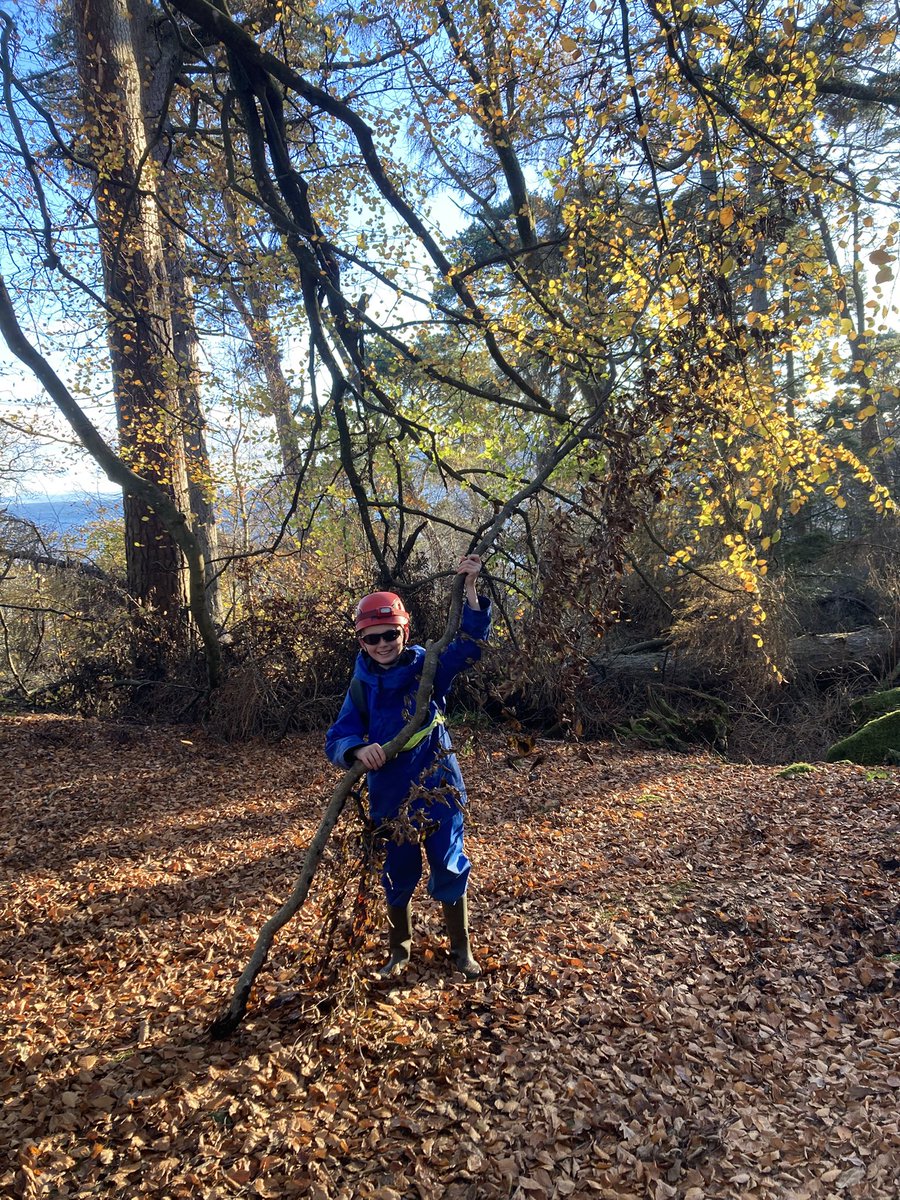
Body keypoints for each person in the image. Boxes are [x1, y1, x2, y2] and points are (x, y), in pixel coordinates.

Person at [326, 555, 491, 980]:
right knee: (396, 870)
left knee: (449, 862)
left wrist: (471, 591)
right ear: (361, 641)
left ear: (405, 631)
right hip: (390, 795)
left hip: (440, 785)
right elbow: (339, 736)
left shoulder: (428, 666)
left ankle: (461, 949)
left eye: (390, 634)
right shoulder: (361, 685)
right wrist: (357, 750)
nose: (382, 644)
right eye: (372, 637)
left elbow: (469, 647)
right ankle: (399, 950)